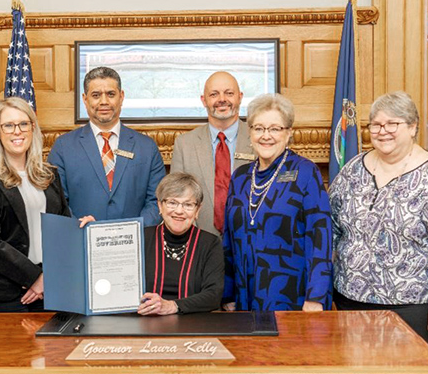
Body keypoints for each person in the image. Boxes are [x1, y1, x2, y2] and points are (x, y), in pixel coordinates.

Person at [330, 91, 428, 360]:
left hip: (415, 307)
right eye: (376, 124)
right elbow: (332, 227)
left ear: (412, 127)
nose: (383, 131)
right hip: (352, 300)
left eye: (392, 124)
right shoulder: (352, 170)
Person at [223, 93, 332, 311]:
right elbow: (229, 241)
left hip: (293, 295)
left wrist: (316, 297)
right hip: (246, 294)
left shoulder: (305, 172)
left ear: (288, 133)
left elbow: (320, 236)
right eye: (259, 128)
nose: (266, 136)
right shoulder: (241, 177)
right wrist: (228, 293)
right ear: (250, 132)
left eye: (274, 128)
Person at [0, 97, 70, 312]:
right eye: (9, 125)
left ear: (33, 128)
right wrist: (34, 277)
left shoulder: (50, 175)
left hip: (49, 288)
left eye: (24, 124)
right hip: (2, 294)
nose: (17, 131)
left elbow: (62, 229)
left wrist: (80, 227)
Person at [48, 66, 166, 226]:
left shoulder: (147, 147)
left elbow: (157, 200)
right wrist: (80, 227)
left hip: (135, 244)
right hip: (81, 242)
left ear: (121, 97)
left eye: (111, 94)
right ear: (85, 99)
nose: (104, 101)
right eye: (96, 95)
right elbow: (57, 202)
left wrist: (132, 230)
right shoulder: (63, 147)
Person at [171, 71, 254, 236]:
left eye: (229, 93)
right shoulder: (184, 144)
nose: (222, 99)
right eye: (214, 94)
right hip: (200, 244)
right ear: (204, 100)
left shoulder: (259, 139)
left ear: (240, 97)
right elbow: (177, 199)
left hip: (252, 242)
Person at [137, 173, 224, 315]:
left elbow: (213, 295)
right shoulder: (141, 238)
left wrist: (172, 306)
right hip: (144, 323)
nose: (179, 211)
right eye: (172, 203)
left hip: (193, 326)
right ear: (160, 206)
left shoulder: (210, 244)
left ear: (197, 210)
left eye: (188, 205)